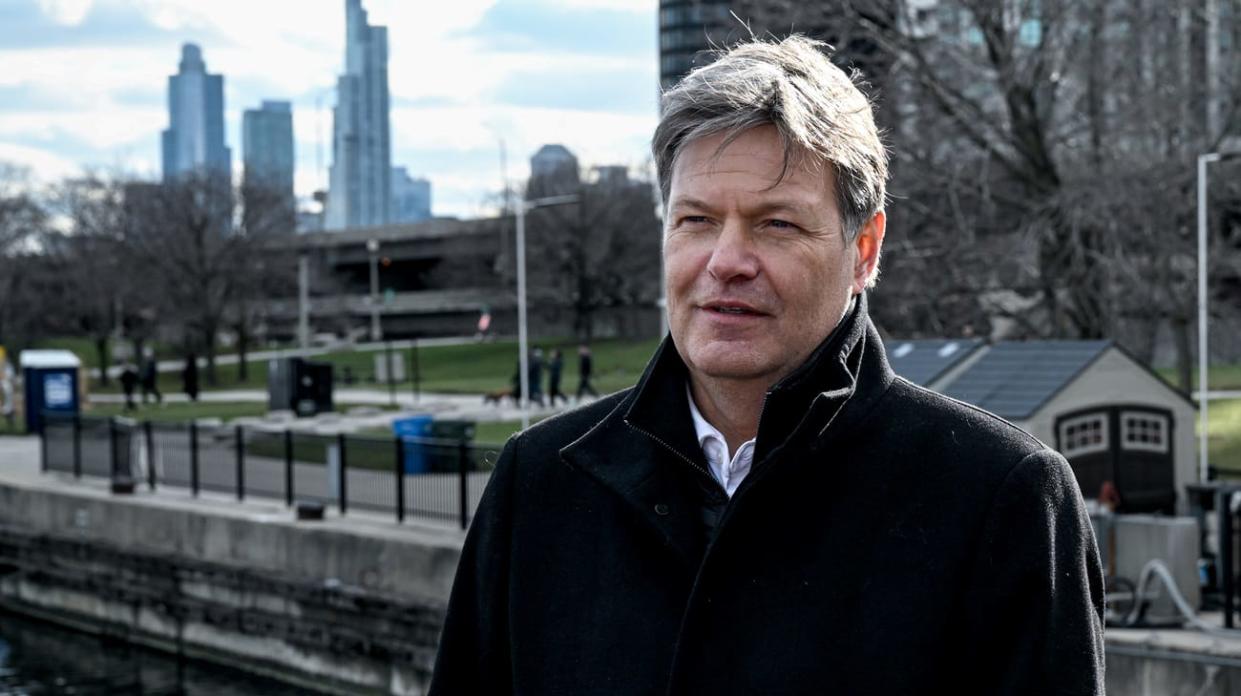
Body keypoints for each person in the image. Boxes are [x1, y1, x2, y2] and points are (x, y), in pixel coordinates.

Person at [429, 37, 1104, 695]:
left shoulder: (1000, 498)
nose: (725, 260)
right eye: (695, 220)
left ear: (863, 250)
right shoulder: (540, 484)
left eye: (775, 224)